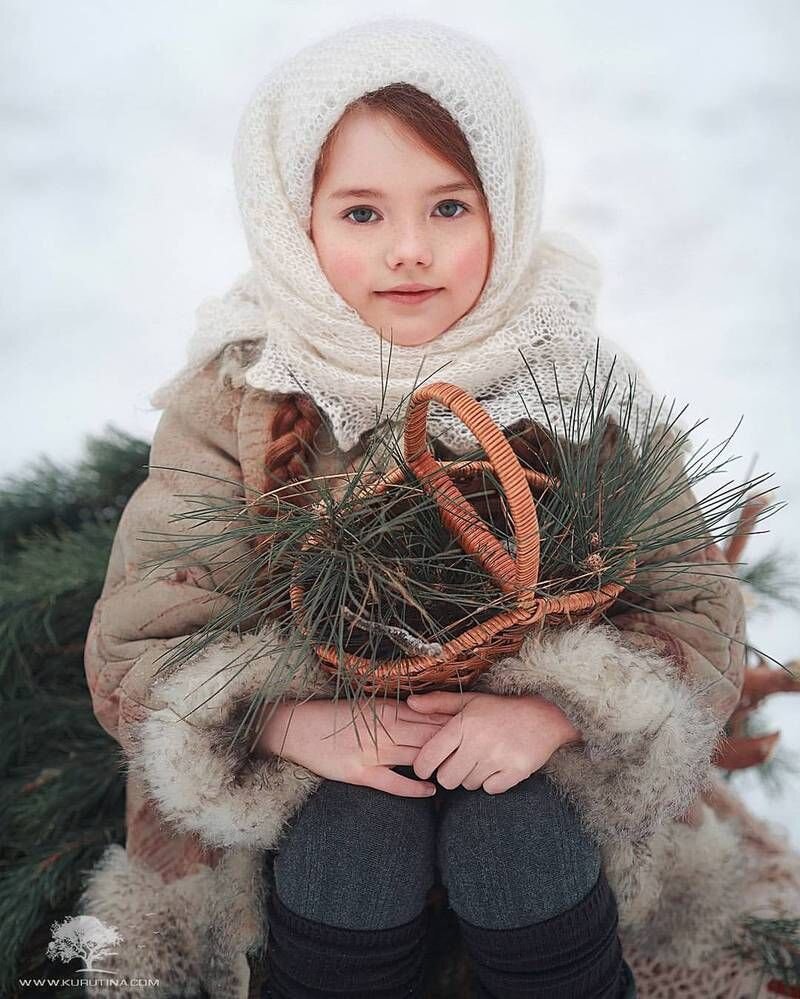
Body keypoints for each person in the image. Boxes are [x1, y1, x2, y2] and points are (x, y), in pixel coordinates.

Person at [80, 18, 755, 999]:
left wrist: (550, 712)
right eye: (360, 214)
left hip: (534, 774)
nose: (408, 251)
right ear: (292, 218)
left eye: (448, 207)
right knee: (360, 835)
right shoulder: (239, 396)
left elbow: (692, 607)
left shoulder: (578, 386)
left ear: (506, 207)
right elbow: (144, 635)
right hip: (320, 783)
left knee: (512, 831)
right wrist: (281, 728)